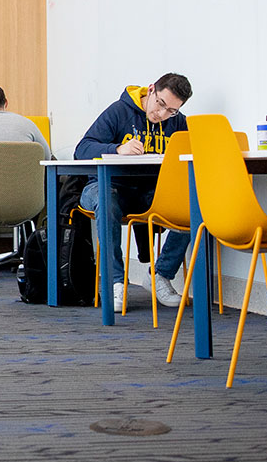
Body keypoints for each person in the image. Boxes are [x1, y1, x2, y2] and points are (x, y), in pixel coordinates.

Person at [75, 72, 193, 311]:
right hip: (106, 187)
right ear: (151, 91)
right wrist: (117, 148)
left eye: (171, 111)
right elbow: (82, 148)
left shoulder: (178, 123)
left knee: (193, 202)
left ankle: (161, 274)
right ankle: (116, 283)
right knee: (106, 201)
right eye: (160, 104)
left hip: (148, 194)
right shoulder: (119, 111)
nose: (162, 114)